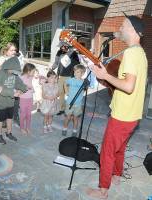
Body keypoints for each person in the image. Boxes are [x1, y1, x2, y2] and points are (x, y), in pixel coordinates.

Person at [86, 13, 147, 199]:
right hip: (132, 114)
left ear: (134, 31)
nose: (120, 28)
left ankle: (103, 190)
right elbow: (130, 84)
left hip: (122, 115)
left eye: (124, 25)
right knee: (119, 148)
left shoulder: (130, 53)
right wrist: (106, 76)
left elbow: (128, 86)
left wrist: (104, 76)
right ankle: (117, 175)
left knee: (107, 151)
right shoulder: (140, 53)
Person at [0, 56, 27, 144]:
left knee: (9, 118)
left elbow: (19, 83)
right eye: (13, 69)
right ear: (9, 66)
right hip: (1, 102)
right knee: (0, 120)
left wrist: (24, 88)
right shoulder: (0, 74)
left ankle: (9, 133)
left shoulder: (14, 75)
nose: (15, 72)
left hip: (10, 102)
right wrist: (12, 93)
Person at [51, 44, 80, 115]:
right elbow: (56, 62)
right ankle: (62, 109)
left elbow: (77, 63)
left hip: (69, 76)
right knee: (61, 93)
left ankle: (72, 108)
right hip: (60, 76)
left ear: (67, 46)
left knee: (69, 93)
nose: (61, 48)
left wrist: (77, 75)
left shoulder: (73, 53)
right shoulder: (59, 52)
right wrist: (52, 68)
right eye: (61, 47)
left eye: (63, 46)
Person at [61, 64, 86, 137]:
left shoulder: (83, 82)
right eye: (74, 71)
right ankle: (65, 128)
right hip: (69, 103)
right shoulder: (71, 80)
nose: (75, 73)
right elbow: (65, 83)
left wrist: (84, 90)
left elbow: (84, 89)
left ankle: (75, 130)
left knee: (76, 118)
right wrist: (66, 91)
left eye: (77, 72)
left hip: (78, 104)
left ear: (82, 73)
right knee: (68, 117)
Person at [19, 63, 36, 135]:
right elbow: (17, 88)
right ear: (28, 71)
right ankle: (22, 128)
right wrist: (24, 88)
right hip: (23, 99)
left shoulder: (31, 77)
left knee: (29, 114)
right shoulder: (21, 78)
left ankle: (28, 127)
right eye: (33, 71)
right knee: (23, 115)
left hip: (30, 98)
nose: (34, 73)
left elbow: (32, 83)